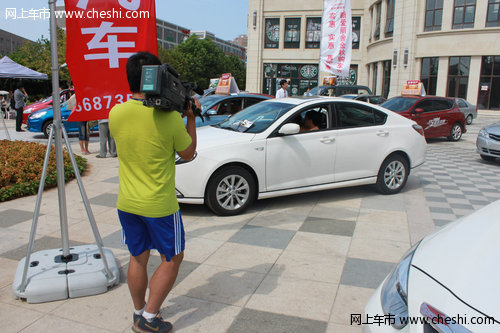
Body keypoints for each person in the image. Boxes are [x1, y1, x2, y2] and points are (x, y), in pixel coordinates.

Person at [109, 51, 198, 333]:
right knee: (172, 258)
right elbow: (188, 151)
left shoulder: (116, 113)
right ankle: (149, 318)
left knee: (138, 256)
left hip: (127, 201)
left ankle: (138, 311)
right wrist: (190, 117)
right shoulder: (168, 119)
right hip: (159, 205)